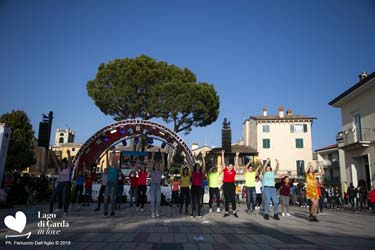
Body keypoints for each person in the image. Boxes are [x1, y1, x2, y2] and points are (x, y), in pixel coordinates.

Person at [49, 150, 73, 217]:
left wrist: (68, 154)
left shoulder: (68, 168)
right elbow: (55, 161)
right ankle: (50, 212)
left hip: (66, 184)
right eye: (62, 163)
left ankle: (65, 211)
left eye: (64, 164)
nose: (63, 164)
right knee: (52, 197)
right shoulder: (59, 169)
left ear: (66, 164)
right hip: (60, 183)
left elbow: (70, 162)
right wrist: (52, 155)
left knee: (64, 198)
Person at [220, 150, 238, 218]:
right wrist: (222, 154)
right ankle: (226, 212)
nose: (230, 167)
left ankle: (234, 211)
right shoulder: (225, 170)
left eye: (231, 166)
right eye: (229, 166)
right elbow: (223, 163)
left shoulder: (233, 171)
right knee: (226, 199)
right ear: (228, 166)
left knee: (233, 199)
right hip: (226, 185)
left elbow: (236, 164)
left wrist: (237, 156)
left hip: (232, 185)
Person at [104, 149, 120, 216]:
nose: (113, 161)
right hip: (108, 183)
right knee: (105, 198)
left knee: (112, 198)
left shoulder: (116, 168)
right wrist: (107, 154)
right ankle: (106, 211)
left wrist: (114, 154)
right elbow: (108, 161)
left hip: (114, 183)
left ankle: (112, 211)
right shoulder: (109, 167)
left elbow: (115, 161)